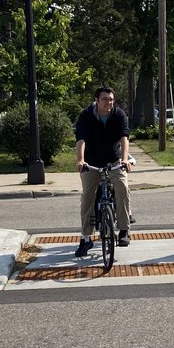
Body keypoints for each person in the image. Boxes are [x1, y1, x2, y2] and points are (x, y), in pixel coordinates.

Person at [74, 86, 132, 258]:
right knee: (87, 197)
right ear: (97, 100)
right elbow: (81, 139)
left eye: (111, 99)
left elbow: (124, 137)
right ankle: (86, 238)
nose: (109, 102)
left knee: (122, 187)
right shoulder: (86, 116)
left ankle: (123, 230)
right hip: (91, 162)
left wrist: (124, 159)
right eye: (105, 99)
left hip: (114, 160)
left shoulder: (118, 115)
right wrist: (80, 160)